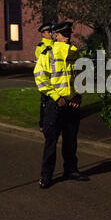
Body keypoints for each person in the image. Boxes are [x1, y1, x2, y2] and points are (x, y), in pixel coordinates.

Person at [34, 21, 89, 189]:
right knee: (51, 142)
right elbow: (40, 78)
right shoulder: (47, 53)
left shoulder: (74, 54)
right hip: (55, 104)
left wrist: (78, 95)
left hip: (72, 104)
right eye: (64, 34)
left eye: (68, 34)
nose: (67, 37)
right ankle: (46, 176)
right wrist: (57, 97)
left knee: (71, 140)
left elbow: (81, 76)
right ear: (55, 35)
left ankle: (71, 170)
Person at [35, 23, 55, 132]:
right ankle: (43, 123)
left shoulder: (55, 43)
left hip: (56, 78)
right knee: (45, 102)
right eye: (49, 32)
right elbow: (41, 60)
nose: (51, 33)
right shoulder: (41, 46)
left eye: (51, 32)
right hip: (46, 79)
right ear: (43, 33)